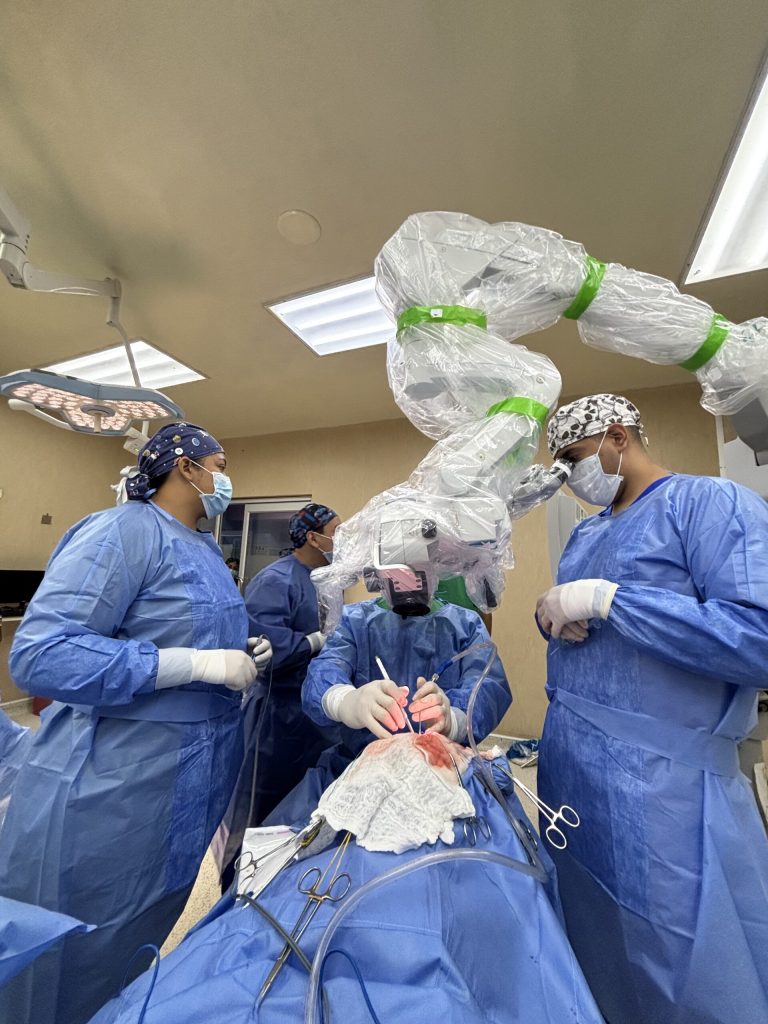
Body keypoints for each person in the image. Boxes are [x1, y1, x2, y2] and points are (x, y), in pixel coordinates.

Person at [0, 422, 271, 1024]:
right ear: (184, 466)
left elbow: (180, 628)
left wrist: (240, 650)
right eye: (220, 463)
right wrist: (194, 663)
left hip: (187, 780)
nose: (226, 479)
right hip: (116, 781)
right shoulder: (123, 531)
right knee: (80, 939)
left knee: (141, 929)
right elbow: (42, 655)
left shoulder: (200, 547)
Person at [535, 393, 768, 1024]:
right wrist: (549, 614)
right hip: (573, 777)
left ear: (617, 437)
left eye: (574, 458)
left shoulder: (710, 504)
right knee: (593, 943)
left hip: (665, 791)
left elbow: (758, 639)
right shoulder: (586, 533)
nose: (571, 478)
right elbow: (586, 639)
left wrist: (613, 601)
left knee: (684, 964)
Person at [266, 563, 511, 826]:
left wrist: (455, 719)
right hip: (359, 771)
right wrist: (347, 701)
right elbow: (325, 672)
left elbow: (488, 689)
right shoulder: (354, 621)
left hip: (444, 775)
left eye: (417, 568)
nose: (407, 583)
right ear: (377, 570)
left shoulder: (465, 625)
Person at [214, 503, 342, 887]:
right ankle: (241, 888)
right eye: (337, 531)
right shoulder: (278, 579)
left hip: (315, 715)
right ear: (312, 536)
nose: (342, 539)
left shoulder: (327, 580)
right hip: (277, 714)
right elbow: (262, 646)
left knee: (307, 806)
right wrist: (315, 641)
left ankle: (288, 888)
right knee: (263, 805)